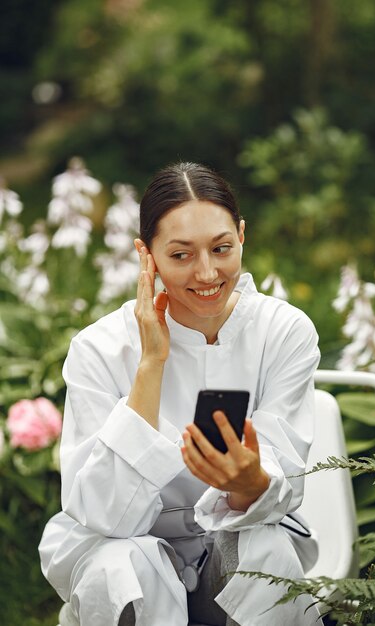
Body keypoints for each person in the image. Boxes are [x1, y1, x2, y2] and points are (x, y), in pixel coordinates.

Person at [39, 162, 323, 626]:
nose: (207, 272)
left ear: (242, 236)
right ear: (145, 254)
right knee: (125, 563)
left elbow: (282, 476)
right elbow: (105, 515)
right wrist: (151, 363)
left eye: (221, 248)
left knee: (265, 550)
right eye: (181, 254)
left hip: (233, 540)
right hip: (128, 548)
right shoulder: (99, 348)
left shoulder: (283, 331)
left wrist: (248, 482)